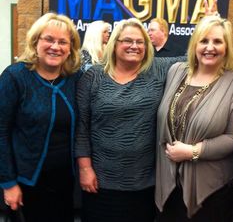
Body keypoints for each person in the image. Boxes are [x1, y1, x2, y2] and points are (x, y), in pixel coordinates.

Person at [75, 17, 184, 222]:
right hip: (100, 180)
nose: (134, 46)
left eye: (140, 41)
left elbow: (195, 57)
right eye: (127, 40)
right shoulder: (94, 76)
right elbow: (81, 127)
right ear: (114, 43)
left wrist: (211, 20)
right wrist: (85, 168)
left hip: (144, 182)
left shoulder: (158, 69)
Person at [155, 15, 233, 221]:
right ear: (194, 44)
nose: (210, 47)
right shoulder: (176, 71)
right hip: (169, 182)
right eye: (204, 40)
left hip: (211, 188)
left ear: (226, 47)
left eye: (217, 41)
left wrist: (192, 152)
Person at [0, 12, 81, 222]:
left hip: (65, 181)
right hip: (25, 183)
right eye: (49, 39)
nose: (56, 46)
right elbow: (0, 132)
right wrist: (8, 183)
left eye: (63, 42)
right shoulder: (15, 77)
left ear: (70, 49)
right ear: (36, 42)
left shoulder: (74, 79)